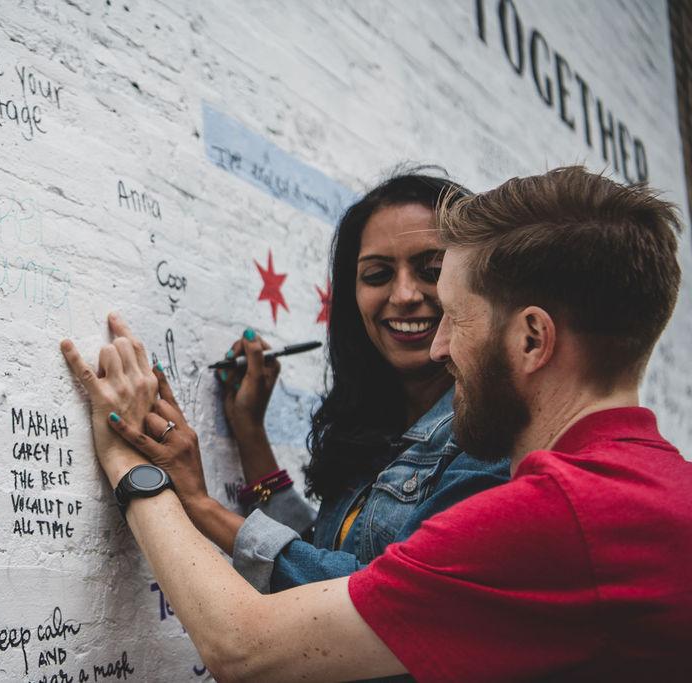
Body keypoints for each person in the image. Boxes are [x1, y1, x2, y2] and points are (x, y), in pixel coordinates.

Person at [60, 166, 692, 682]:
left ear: (531, 339)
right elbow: (351, 565)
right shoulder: (653, 490)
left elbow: (242, 648)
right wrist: (248, 442)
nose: (439, 346)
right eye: (377, 274)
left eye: (457, 316)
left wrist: (129, 463)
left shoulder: (557, 516)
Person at [113, 172, 510, 595]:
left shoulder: (491, 438)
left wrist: (200, 505)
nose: (405, 294)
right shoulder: (378, 424)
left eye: (431, 270)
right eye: (377, 275)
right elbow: (320, 555)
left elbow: (373, 597)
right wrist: (249, 433)